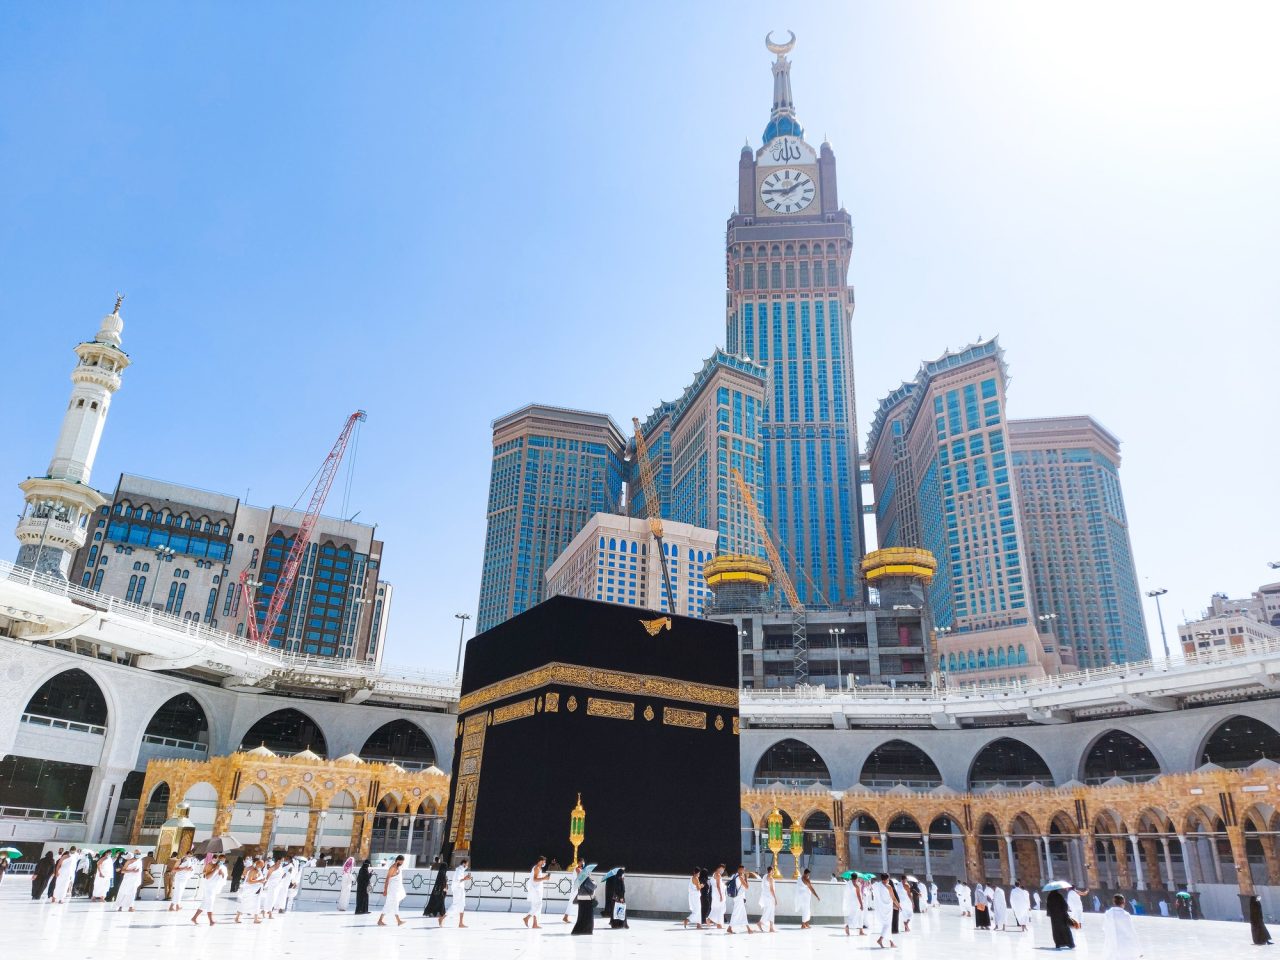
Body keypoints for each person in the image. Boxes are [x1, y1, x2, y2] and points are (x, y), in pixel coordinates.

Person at [191, 855, 227, 926]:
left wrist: (222, 873)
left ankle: (194, 918)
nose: (221, 862)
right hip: (208, 888)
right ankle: (211, 920)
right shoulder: (210, 865)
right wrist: (215, 870)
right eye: (220, 860)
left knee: (204, 904)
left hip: (214, 887)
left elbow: (223, 878)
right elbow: (207, 877)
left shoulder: (223, 867)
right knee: (210, 902)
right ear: (217, 859)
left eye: (223, 860)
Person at [1102, 895, 1141, 960]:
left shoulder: (1108, 914)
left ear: (1114, 902)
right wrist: (1139, 950)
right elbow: (1131, 931)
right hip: (1125, 945)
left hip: (1111, 945)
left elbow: (1105, 928)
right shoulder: (1126, 915)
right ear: (1123, 903)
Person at [377, 854, 406, 926]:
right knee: (395, 903)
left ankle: (380, 920)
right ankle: (398, 921)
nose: (402, 863)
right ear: (398, 860)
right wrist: (385, 890)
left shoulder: (398, 867)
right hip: (392, 890)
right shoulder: (393, 868)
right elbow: (387, 879)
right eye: (401, 861)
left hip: (396, 889)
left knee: (388, 904)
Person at [870, 873, 897, 948]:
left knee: (887, 925)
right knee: (887, 925)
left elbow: (873, 891)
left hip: (880, 908)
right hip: (887, 909)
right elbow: (893, 898)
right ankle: (880, 939)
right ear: (887, 879)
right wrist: (898, 905)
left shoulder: (877, 885)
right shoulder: (889, 887)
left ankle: (891, 942)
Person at [443, 856, 471, 928]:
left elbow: (461, 879)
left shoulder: (461, 870)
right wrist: (465, 878)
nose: (467, 866)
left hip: (460, 890)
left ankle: (460, 923)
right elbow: (458, 880)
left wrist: (465, 878)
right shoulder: (459, 870)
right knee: (455, 905)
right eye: (467, 864)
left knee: (462, 905)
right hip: (457, 890)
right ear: (464, 864)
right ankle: (441, 918)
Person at [235, 857, 265, 923]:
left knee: (256, 904)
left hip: (257, 891)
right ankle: (237, 917)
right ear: (257, 864)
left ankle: (255, 918)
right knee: (244, 904)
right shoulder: (253, 871)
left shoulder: (259, 871)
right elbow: (249, 881)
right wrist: (260, 881)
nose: (262, 867)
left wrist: (261, 881)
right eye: (261, 865)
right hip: (250, 891)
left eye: (263, 866)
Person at [523, 855, 548, 928]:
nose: (544, 863)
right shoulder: (537, 868)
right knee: (538, 905)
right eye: (544, 861)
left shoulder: (538, 868)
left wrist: (544, 878)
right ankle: (527, 918)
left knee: (535, 906)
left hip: (536, 889)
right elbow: (535, 879)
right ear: (540, 861)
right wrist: (544, 878)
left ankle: (535, 924)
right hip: (536, 890)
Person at [571, 865, 597, 935]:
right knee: (588, 916)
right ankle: (587, 930)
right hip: (587, 900)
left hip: (581, 899)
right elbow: (592, 887)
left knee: (581, 915)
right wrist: (594, 883)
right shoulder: (586, 878)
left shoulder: (579, 879)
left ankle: (579, 929)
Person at [725, 865, 749, 934]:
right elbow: (747, 887)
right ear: (739, 870)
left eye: (744, 870)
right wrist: (746, 878)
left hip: (736, 897)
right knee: (736, 913)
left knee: (743, 913)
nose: (744, 871)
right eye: (743, 870)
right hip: (739, 898)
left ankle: (748, 928)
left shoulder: (734, 875)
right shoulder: (741, 877)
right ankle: (729, 928)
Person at [756, 869, 777, 933]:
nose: (774, 872)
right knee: (768, 911)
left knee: (771, 912)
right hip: (770, 897)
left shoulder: (765, 876)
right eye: (773, 871)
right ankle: (760, 923)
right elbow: (771, 890)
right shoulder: (770, 878)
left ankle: (771, 928)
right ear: (770, 871)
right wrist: (775, 898)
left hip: (766, 897)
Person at [707, 864, 727, 928]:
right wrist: (721, 896)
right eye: (721, 869)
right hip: (718, 894)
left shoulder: (714, 874)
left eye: (723, 869)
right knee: (720, 908)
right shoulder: (718, 875)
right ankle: (714, 921)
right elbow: (718, 886)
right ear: (718, 868)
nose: (722, 870)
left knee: (717, 908)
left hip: (715, 894)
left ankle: (717, 923)